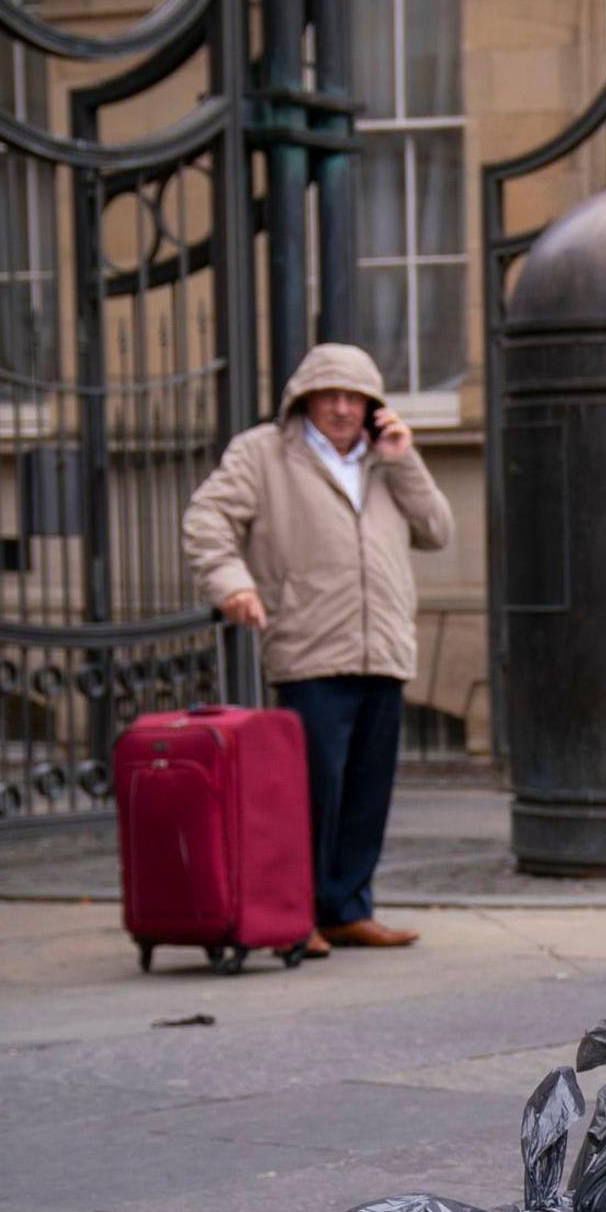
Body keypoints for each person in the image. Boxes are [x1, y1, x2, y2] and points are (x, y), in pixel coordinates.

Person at [179, 344, 451, 954]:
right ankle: (292, 914)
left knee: (366, 792)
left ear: (372, 406)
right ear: (302, 401)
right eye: (327, 395)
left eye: (353, 397)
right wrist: (233, 585)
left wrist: (404, 461)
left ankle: (346, 909)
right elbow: (206, 520)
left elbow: (437, 530)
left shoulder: (386, 460)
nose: (340, 407)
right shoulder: (263, 453)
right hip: (310, 647)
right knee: (310, 794)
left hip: (383, 646)